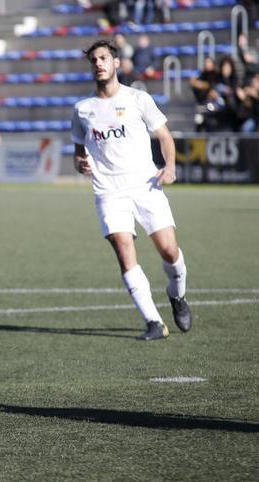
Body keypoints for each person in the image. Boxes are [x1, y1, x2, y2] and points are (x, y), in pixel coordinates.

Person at [71, 39, 192, 341]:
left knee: (169, 252)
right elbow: (77, 151)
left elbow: (164, 136)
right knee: (125, 252)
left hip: (145, 185)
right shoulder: (83, 110)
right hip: (109, 191)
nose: (98, 63)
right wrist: (80, 163)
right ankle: (154, 322)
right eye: (94, 60)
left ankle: (177, 296)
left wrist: (170, 166)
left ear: (116, 64)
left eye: (103, 58)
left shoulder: (138, 99)